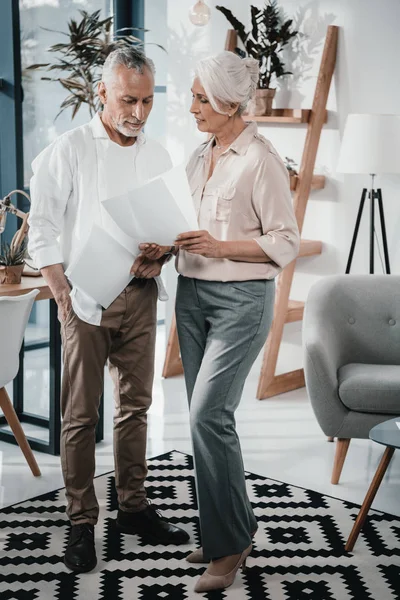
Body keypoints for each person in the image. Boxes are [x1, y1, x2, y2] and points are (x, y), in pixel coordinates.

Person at [139, 51, 300, 593]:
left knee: (211, 415)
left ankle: (229, 548)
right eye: (191, 96)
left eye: (200, 98)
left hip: (241, 303)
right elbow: (188, 223)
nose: (190, 107)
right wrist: (163, 247)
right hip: (190, 295)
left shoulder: (262, 160)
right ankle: (228, 530)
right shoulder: (199, 155)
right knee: (201, 420)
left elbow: (286, 242)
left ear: (231, 103)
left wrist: (220, 245)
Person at [28, 47, 189, 574]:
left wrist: (161, 252)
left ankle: (134, 508)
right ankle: (80, 522)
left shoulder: (160, 155)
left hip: (140, 297)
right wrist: (63, 298)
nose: (138, 112)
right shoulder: (67, 151)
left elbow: (173, 228)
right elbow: (42, 232)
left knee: (136, 407)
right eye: (127, 99)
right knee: (79, 416)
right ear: (101, 92)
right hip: (84, 296)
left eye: (146, 101)